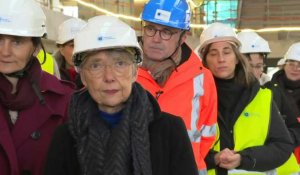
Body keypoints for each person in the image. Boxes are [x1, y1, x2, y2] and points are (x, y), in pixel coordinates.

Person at [44, 15, 198, 175]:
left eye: (120, 63)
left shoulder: (170, 131)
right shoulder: (65, 137)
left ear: (134, 71)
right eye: (96, 65)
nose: (109, 76)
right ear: (83, 76)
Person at [198, 22, 299, 175]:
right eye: (213, 53)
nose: (221, 59)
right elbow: (182, 147)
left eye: (227, 52)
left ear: (237, 58)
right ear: (205, 60)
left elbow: (282, 145)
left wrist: (243, 158)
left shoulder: (262, 97)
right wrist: (214, 158)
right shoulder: (195, 98)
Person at [137, 0, 218, 173]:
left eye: (167, 32)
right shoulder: (123, 72)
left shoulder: (202, 78)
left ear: (183, 37)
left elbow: (208, 134)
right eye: (150, 28)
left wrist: (187, 159)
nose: (156, 39)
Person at [0, 0, 74, 175]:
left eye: (17, 42)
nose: (5, 51)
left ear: (35, 47)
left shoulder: (64, 99)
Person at [271, 42, 300, 164]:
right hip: (277, 152)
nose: (295, 68)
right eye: (291, 64)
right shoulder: (267, 90)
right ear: (284, 65)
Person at [54, 18, 87, 89]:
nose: (77, 50)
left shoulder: (96, 76)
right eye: (72, 45)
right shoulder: (52, 75)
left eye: (82, 44)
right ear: (61, 50)